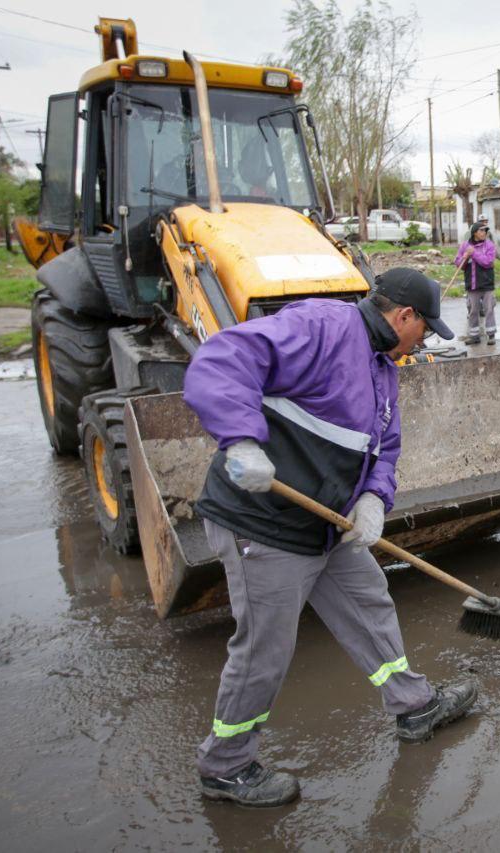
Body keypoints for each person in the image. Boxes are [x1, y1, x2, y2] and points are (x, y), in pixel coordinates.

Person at [183, 268, 477, 808]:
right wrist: (241, 439)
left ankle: (414, 706)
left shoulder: (384, 370)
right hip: (264, 524)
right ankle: (225, 765)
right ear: (403, 316)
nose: (426, 340)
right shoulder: (321, 327)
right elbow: (221, 361)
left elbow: (384, 449)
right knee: (264, 649)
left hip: (327, 526)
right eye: (426, 329)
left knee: (369, 604)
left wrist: (373, 499)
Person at [454, 222, 498, 345]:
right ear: (475, 233)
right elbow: (458, 264)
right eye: (481, 231)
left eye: (485, 231)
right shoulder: (465, 246)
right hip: (472, 284)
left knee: (489, 309)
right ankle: (474, 336)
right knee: (473, 310)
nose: (484, 233)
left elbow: (488, 262)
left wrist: (474, 253)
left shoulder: (489, 245)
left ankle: (491, 335)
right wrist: (465, 256)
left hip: (486, 283)